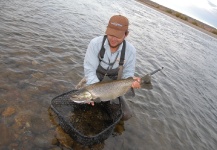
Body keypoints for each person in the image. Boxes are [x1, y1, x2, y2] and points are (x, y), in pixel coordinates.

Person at [82, 15, 141, 120]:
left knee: (125, 115)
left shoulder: (131, 51)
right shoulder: (95, 43)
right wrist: (94, 93)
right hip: (93, 82)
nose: (113, 39)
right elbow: (89, 70)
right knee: (81, 102)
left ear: (126, 34)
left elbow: (128, 73)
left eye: (117, 36)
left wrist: (131, 81)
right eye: (110, 34)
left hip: (114, 86)